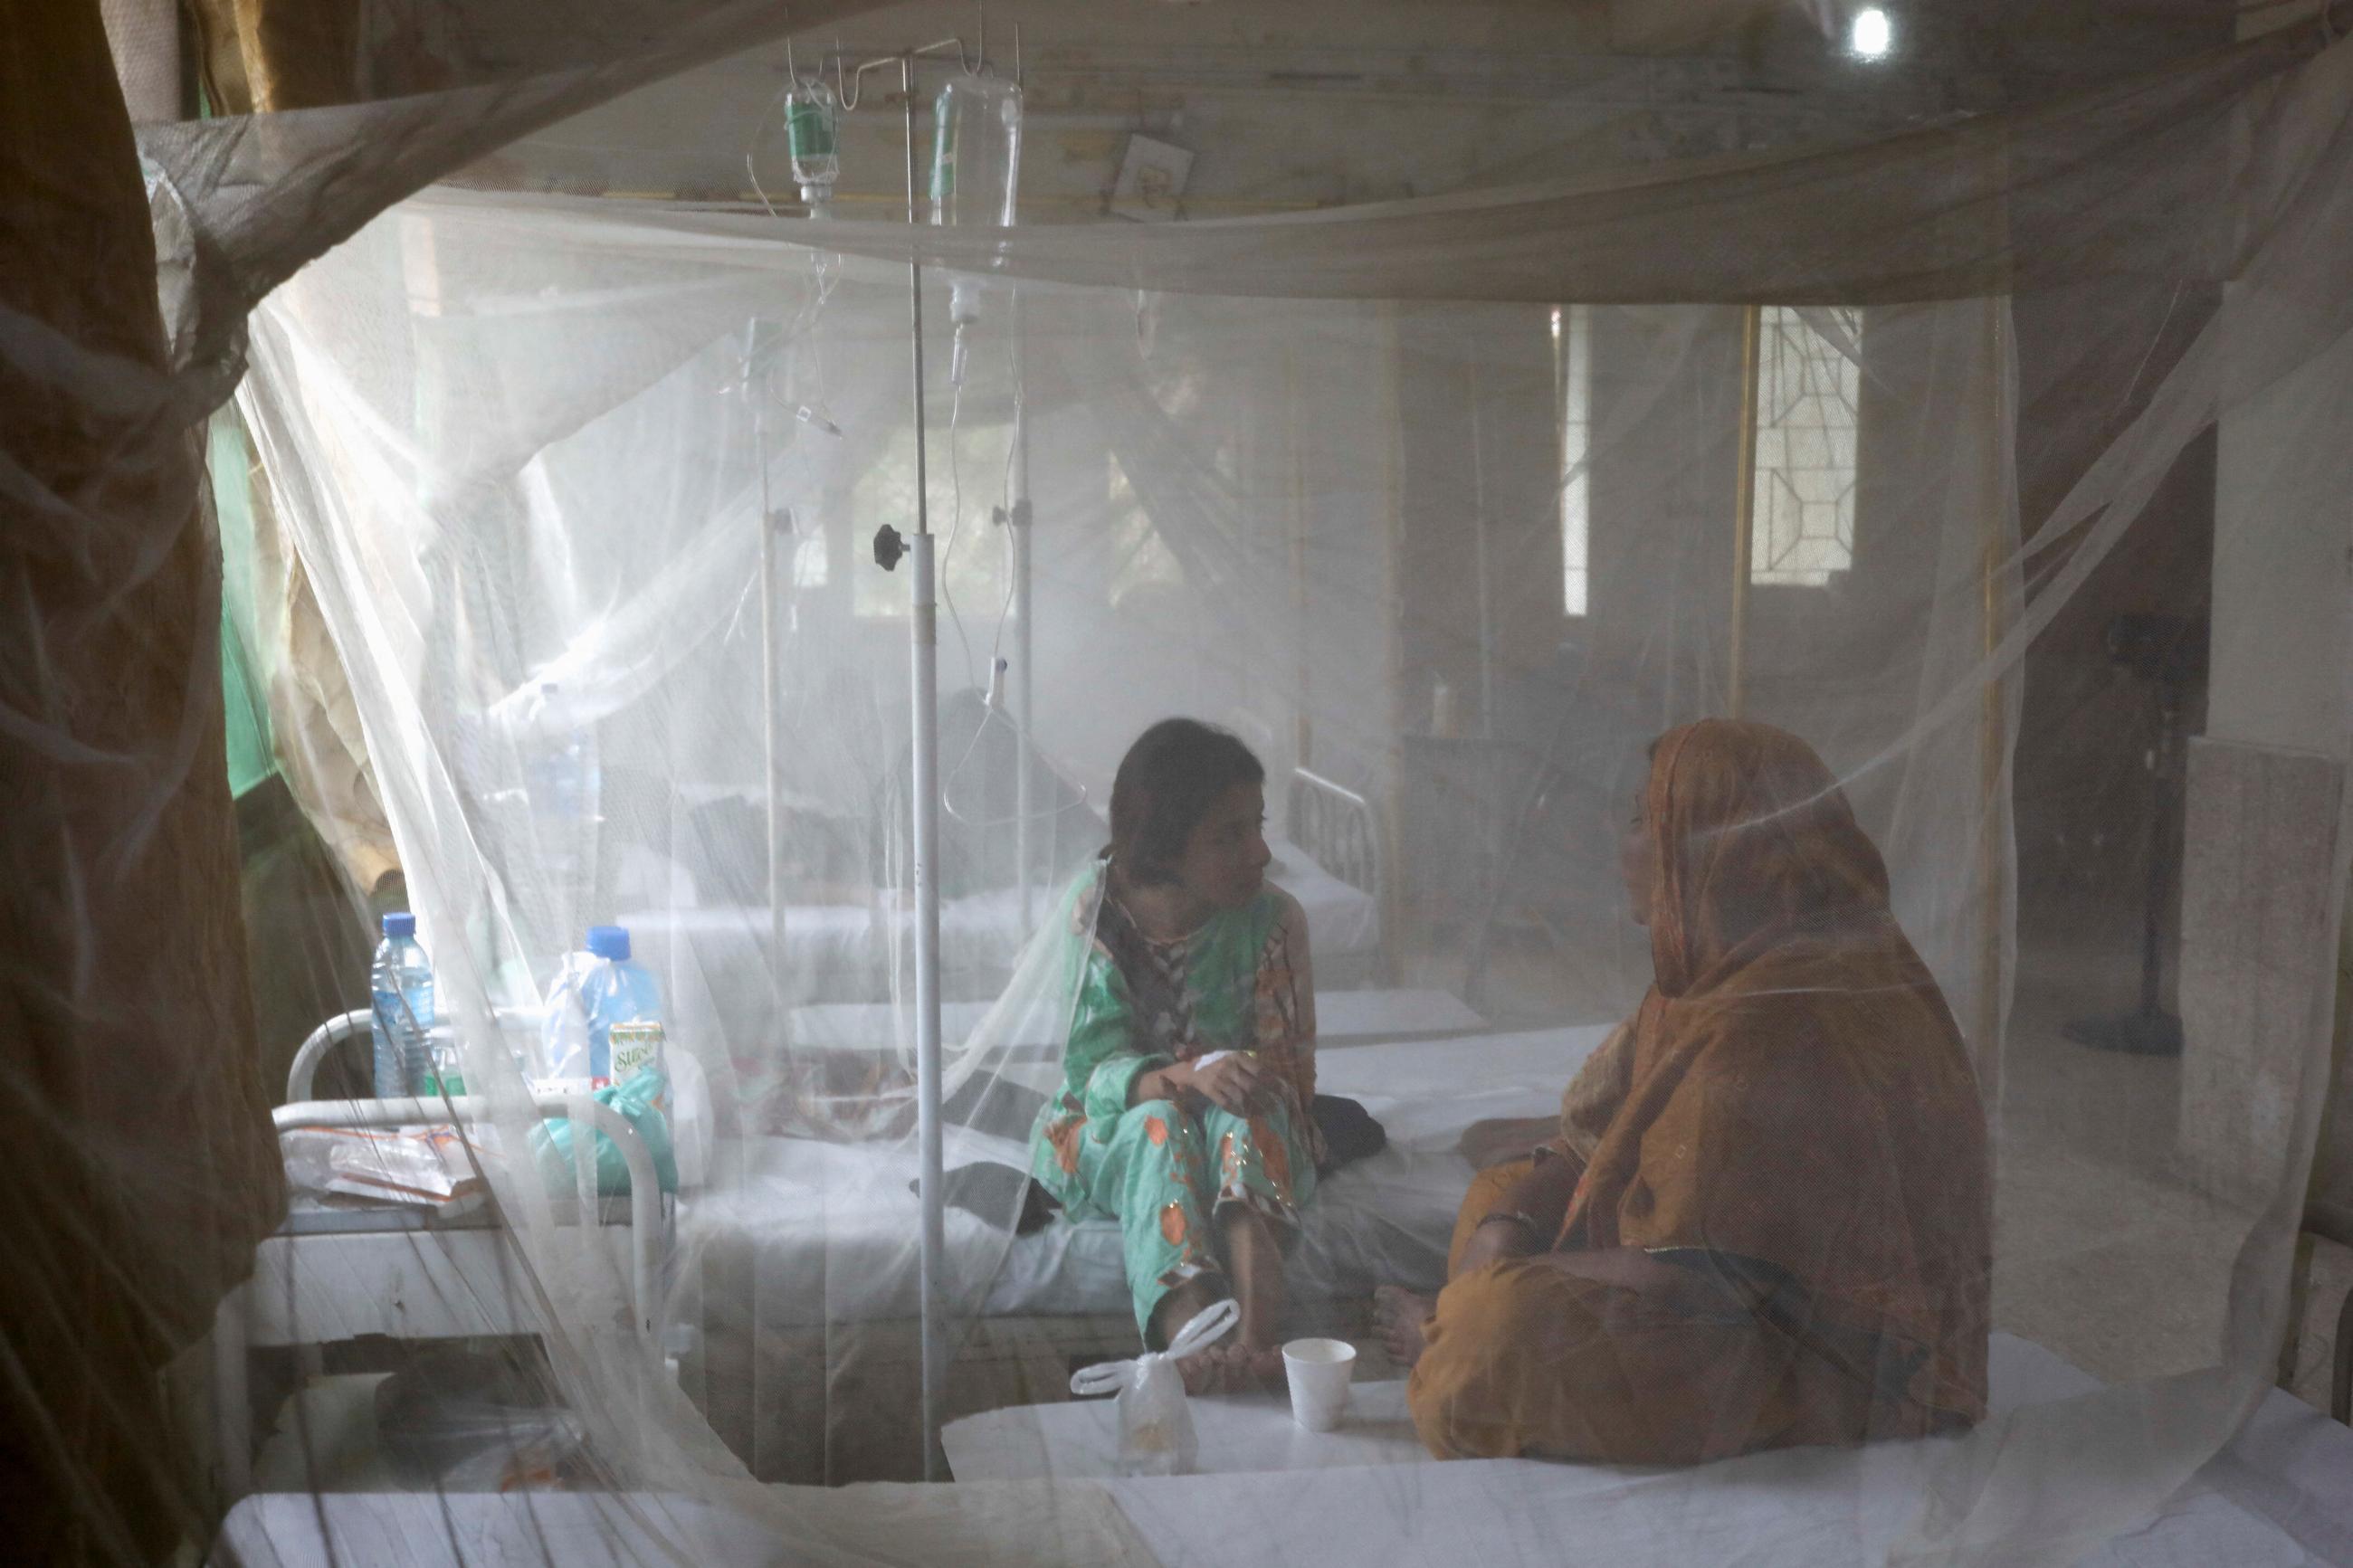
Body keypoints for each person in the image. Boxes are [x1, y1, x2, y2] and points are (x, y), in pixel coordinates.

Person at [1375, 717, 1990, 1463]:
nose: (1625, 847)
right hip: (1713, 1286)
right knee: (1497, 1196)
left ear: (1715, 844)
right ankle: (1466, 1320)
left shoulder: (1779, 1021)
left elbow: (1697, 1274)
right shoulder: (1719, 968)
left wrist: (1490, 1288)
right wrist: (1506, 1230)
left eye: (1644, 821)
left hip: (1809, 1349)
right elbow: (1594, 1138)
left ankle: (1448, 1341)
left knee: (1487, 1331)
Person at [1029, 718, 1323, 1390]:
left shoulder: (1274, 921)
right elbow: (1091, 1073)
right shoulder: (1095, 913)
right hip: (1115, 1119)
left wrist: (1230, 1082)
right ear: (1165, 845)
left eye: (1258, 824)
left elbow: (1288, 1075)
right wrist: (1183, 1077)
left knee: (1250, 1112)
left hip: (1239, 1117)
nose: (1260, 852)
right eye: (1228, 835)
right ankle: (1191, 1340)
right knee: (1159, 1131)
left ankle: (1254, 1342)